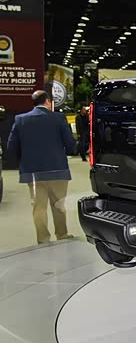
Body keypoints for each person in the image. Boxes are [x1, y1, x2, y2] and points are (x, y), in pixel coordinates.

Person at [6, 90, 76, 245]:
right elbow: (70, 144)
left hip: (33, 173)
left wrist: (23, 161)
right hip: (58, 170)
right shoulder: (58, 118)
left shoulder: (20, 119)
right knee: (59, 205)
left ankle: (43, 240)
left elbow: (11, 147)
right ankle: (62, 235)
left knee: (39, 208)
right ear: (47, 101)